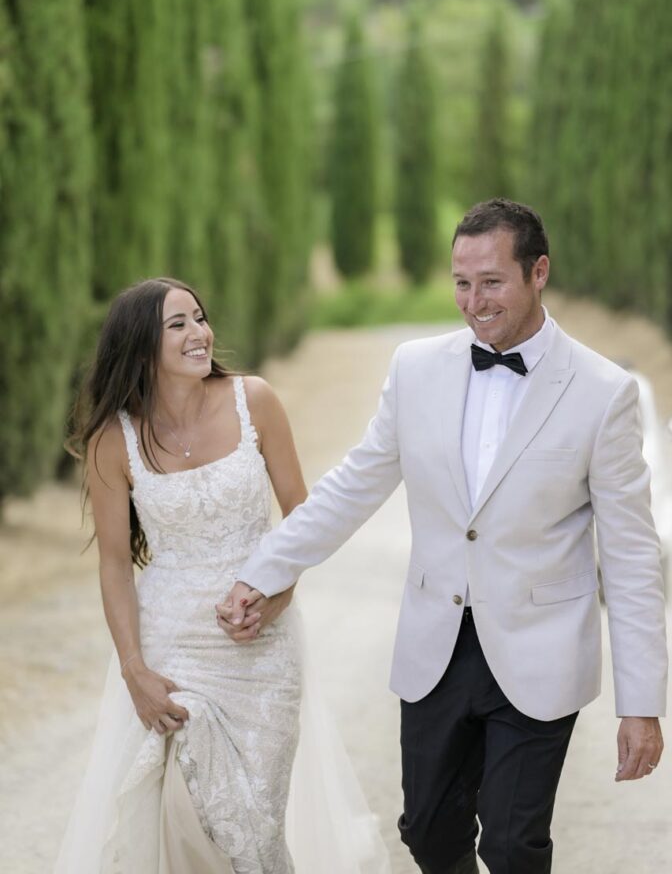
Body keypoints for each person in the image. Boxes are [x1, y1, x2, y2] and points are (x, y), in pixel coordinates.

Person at [223, 199, 668, 874]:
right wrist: (266, 568)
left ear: (538, 271)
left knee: (514, 847)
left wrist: (641, 704)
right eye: (462, 282)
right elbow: (352, 487)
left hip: (541, 649)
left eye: (492, 281)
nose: (473, 300)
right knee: (429, 832)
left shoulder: (603, 392)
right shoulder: (415, 368)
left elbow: (633, 557)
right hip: (437, 646)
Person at [54, 277, 390, 874]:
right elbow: (113, 565)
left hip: (261, 654)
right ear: (139, 347)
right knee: (182, 814)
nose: (199, 334)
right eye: (177, 324)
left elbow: (302, 522)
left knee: (250, 833)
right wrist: (134, 668)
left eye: (200, 318)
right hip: (170, 650)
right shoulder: (114, 440)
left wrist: (277, 596)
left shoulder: (253, 400)